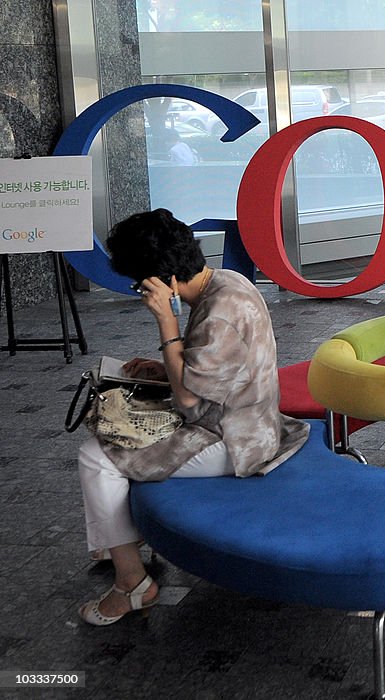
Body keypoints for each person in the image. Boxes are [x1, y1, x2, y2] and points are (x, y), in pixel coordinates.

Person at [77, 209, 310, 626]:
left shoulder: (219, 312)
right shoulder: (225, 281)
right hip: (242, 418)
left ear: (158, 280)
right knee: (119, 435)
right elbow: (209, 369)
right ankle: (117, 536)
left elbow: (187, 398)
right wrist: (162, 364)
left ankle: (132, 584)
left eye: (138, 283)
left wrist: (165, 319)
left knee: (97, 456)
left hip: (234, 440)